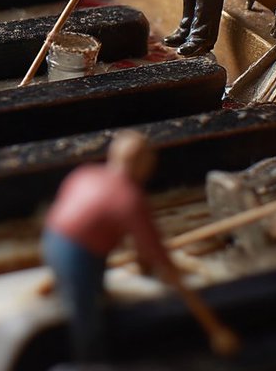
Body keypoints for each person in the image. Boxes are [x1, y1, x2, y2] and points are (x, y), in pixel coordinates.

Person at [42, 131, 179, 362]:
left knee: (89, 290)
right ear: (140, 163)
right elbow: (152, 247)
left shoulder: (85, 173)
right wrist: (171, 271)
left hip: (52, 239)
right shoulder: (129, 197)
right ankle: (91, 362)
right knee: (85, 314)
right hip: (77, 253)